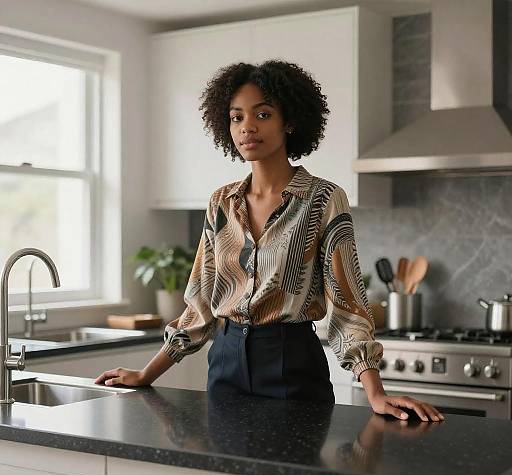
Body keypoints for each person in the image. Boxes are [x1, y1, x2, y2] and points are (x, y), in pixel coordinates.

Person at [96, 60, 443, 422]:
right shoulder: (221, 203)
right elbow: (199, 304)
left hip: (291, 362)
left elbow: (346, 303)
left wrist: (376, 393)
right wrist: (146, 374)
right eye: (236, 117)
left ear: (289, 121)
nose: (247, 127)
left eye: (262, 114)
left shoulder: (323, 199)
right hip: (225, 361)